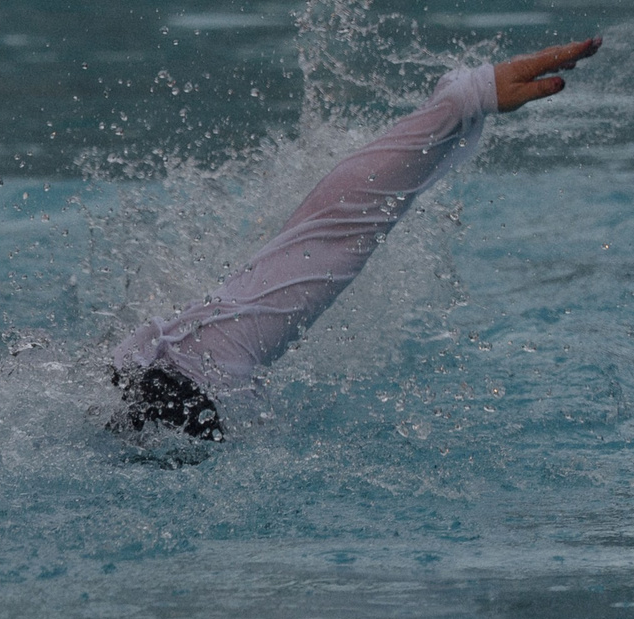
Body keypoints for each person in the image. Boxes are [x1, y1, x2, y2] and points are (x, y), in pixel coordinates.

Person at [108, 37, 601, 443]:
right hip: (180, 400)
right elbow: (334, 229)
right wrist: (461, 103)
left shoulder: (138, 372)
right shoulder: (197, 365)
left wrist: (462, 102)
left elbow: (331, 229)